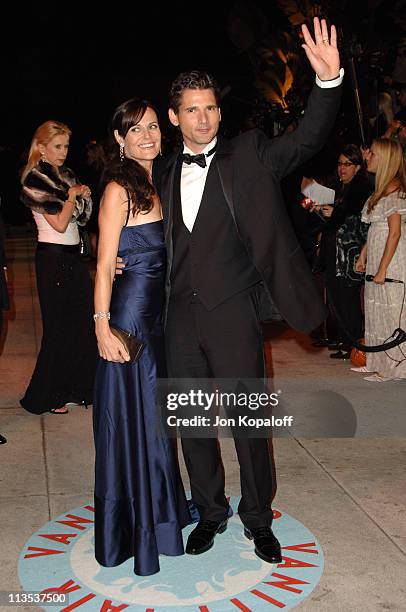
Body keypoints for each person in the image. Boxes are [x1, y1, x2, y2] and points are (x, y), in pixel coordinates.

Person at [157, 17, 343, 563]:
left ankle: (257, 518)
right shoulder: (163, 172)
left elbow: (308, 137)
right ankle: (210, 511)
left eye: (210, 107)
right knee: (192, 426)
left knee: (249, 426)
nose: (204, 117)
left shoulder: (252, 154)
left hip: (235, 312)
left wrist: (327, 83)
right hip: (179, 319)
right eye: (192, 109)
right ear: (175, 117)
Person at [93, 98, 190, 576]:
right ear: (120, 139)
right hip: (130, 323)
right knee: (137, 426)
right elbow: (103, 265)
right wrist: (101, 325)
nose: (147, 136)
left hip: (160, 320)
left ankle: (164, 514)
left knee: (157, 425)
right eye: (136, 130)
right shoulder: (119, 189)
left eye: (153, 126)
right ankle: (139, 528)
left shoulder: (163, 177)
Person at [20, 120, 96, 414]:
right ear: (41, 148)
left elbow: (82, 219)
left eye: (65, 146)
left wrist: (81, 195)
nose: (63, 152)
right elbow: (61, 222)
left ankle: (76, 388)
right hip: (53, 259)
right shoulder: (34, 180)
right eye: (57, 146)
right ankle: (44, 396)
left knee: (81, 325)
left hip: (72, 257)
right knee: (57, 329)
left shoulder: (65, 176)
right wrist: (74, 195)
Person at [312, 145, 372, 358]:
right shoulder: (340, 187)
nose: (342, 168)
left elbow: (353, 216)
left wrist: (333, 213)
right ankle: (346, 341)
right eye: (340, 163)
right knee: (337, 298)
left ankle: (355, 344)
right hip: (334, 252)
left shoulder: (361, 187)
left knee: (348, 299)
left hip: (348, 254)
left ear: (358, 167)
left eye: (347, 164)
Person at [355, 138, 406, 381]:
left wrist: (383, 269)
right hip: (377, 257)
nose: (368, 157)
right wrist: (363, 255)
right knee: (374, 309)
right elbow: (376, 228)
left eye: (372, 154)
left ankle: (393, 367)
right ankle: (377, 361)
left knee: (391, 311)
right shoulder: (381, 190)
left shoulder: (395, 189)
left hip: (391, 260)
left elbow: (394, 233)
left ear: (385, 159)